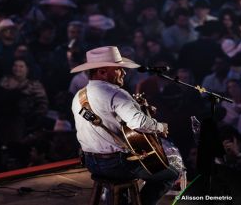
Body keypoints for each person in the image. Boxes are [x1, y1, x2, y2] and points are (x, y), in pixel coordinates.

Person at [70, 46, 178, 205]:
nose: (124, 73)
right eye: (119, 69)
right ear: (102, 72)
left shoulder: (78, 96)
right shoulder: (115, 93)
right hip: (116, 164)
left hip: (90, 163)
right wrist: (160, 126)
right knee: (169, 174)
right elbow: (138, 123)